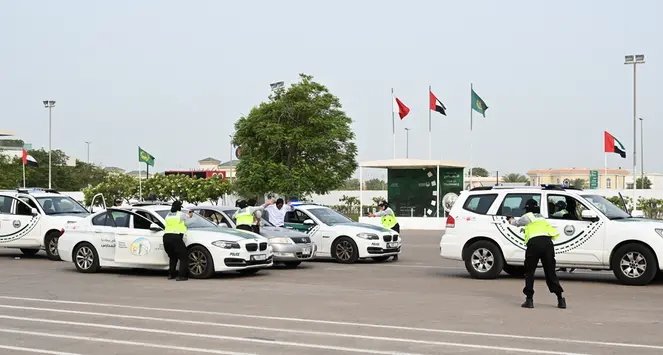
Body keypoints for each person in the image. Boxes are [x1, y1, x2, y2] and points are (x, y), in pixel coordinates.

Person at [508, 199, 566, 309]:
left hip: (534, 245)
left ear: (528, 208)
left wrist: (510, 219)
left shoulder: (527, 216)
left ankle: (529, 300)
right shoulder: (541, 217)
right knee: (550, 273)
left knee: (530, 272)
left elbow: (516, 223)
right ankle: (560, 299)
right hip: (548, 244)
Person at [163, 200, 193, 281]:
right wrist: (190, 213)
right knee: (183, 257)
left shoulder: (168, 215)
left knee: (172, 257)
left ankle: (171, 275)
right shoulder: (180, 214)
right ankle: (181, 276)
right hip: (175, 237)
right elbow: (188, 216)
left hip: (166, 237)